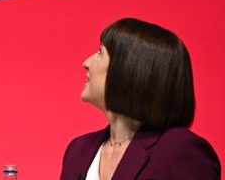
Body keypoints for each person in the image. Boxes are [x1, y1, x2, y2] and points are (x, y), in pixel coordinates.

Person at [60, 18, 221, 180]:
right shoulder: (78, 151)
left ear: (130, 69)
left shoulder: (179, 150)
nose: (86, 63)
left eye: (100, 52)